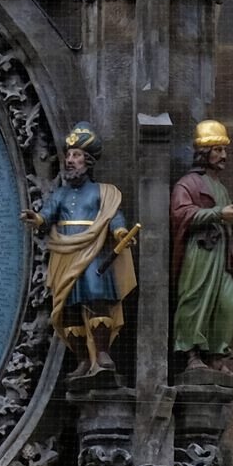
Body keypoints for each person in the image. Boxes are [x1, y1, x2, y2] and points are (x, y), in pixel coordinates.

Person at [26, 123, 136, 383]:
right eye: (68, 155)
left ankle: (102, 353)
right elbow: (47, 215)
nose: (70, 161)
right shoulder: (61, 194)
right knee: (70, 308)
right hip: (65, 254)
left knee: (98, 299)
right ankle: (82, 359)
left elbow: (114, 216)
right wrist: (38, 219)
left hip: (94, 252)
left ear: (88, 161)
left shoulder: (102, 192)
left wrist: (120, 233)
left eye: (76, 156)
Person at [171, 119, 233, 375]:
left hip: (222, 253)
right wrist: (218, 213)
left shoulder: (221, 188)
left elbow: (231, 226)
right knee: (195, 299)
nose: (223, 155)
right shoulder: (188, 184)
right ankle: (192, 353)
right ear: (204, 153)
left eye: (224, 150)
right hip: (200, 252)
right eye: (217, 150)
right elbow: (181, 213)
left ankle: (218, 357)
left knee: (229, 303)